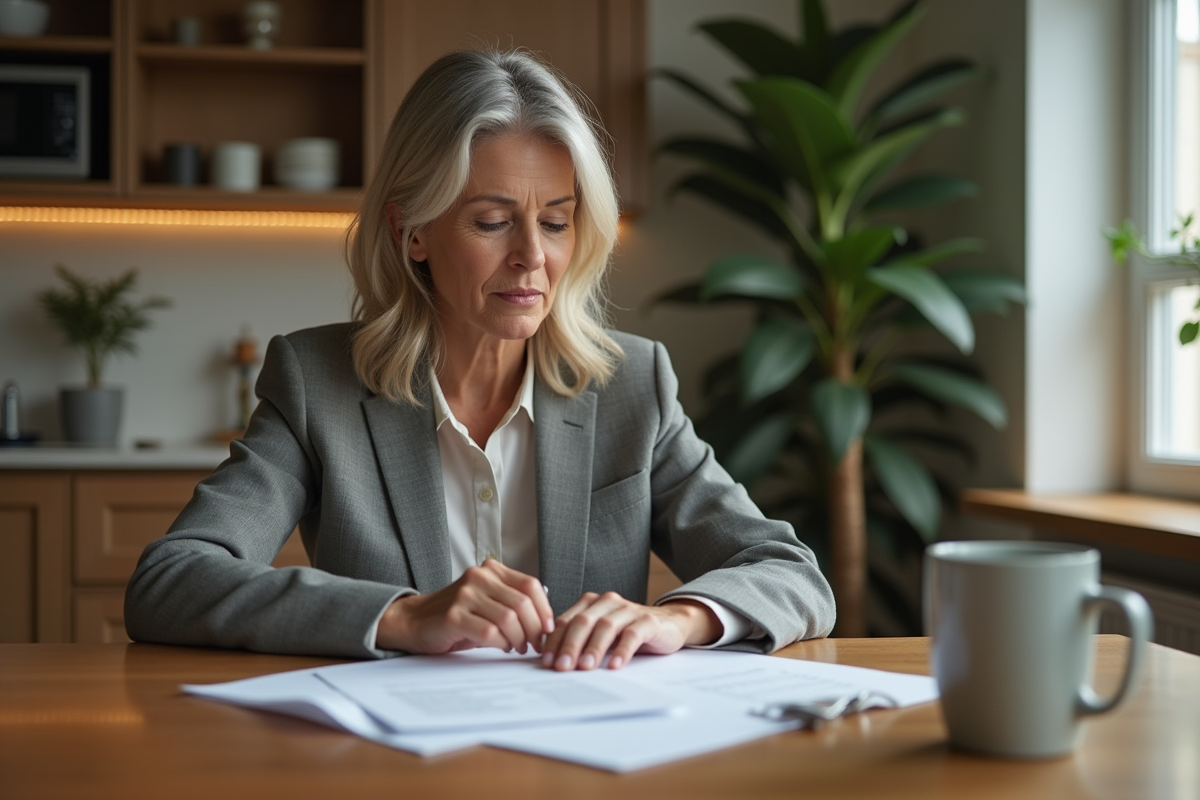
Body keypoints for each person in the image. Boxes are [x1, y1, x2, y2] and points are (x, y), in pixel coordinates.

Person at [124, 49, 835, 668]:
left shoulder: (632, 386)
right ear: (413, 234)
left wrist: (673, 620)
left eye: (556, 222)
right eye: (492, 222)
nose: (532, 256)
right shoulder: (319, 384)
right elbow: (171, 580)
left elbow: (789, 574)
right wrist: (402, 617)